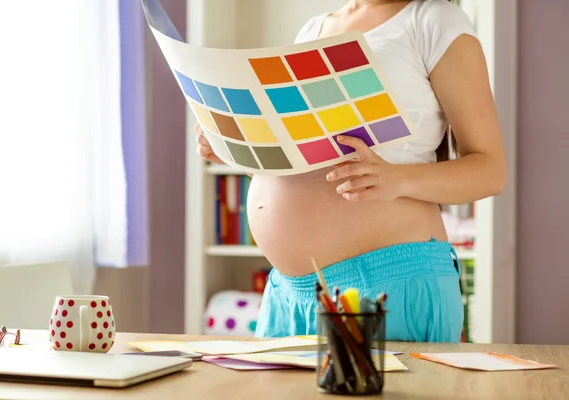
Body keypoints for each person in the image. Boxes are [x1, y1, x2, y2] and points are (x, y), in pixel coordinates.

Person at [194, 0, 506, 342]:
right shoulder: (314, 30)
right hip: (288, 294)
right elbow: (308, 166)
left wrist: (396, 179)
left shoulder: (434, 20)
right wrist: (239, 153)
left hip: (385, 285)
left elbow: (490, 169)